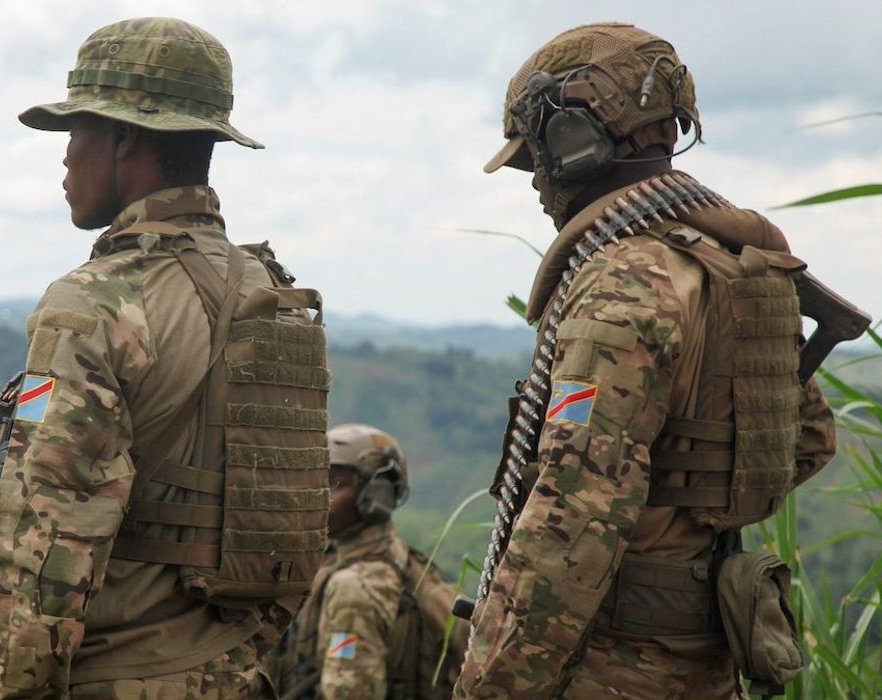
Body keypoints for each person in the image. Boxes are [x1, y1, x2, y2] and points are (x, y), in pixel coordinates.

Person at [457, 23, 838, 699]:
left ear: (572, 142)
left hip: (609, 662)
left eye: (535, 158)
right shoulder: (735, 263)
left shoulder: (624, 280)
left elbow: (573, 512)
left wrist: (491, 684)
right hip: (704, 655)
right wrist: (685, 519)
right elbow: (806, 440)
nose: (537, 182)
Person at [0, 17, 329, 699]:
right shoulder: (269, 291)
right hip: (235, 669)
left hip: (115, 673)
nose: (66, 157)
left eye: (78, 132)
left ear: (124, 138)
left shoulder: (92, 303)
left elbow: (47, 541)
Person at [268, 423, 467, 700]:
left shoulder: (356, 587)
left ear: (377, 495)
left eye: (333, 484)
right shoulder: (392, 561)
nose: (316, 496)